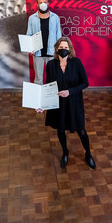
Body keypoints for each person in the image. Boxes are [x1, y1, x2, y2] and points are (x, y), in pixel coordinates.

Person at [36, 37, 96, 169]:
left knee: (81, 130)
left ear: (70, 49)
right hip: (58, 104)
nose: (63, 50)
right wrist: (42, 104)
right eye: (61, 48)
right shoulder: (51, 64)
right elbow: (48, 86)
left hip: (74, 102)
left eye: (66, 48)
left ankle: (88, 153)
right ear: (57, 49)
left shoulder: (77, 63)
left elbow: (85, 83)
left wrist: (70, 91)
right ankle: (65, 152)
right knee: (61, 130)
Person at [27, 0, 62, 85]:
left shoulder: (55, 18)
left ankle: (52, 98)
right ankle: (38, 99)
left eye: (45, 2)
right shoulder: (32, 18)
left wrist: (59, 51)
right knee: (38, 78)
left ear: (48, 3)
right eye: (40, 2)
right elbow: (29, 34)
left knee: (53, 78)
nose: (43, 4)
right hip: (38, 53)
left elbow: (59, 36)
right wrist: (31, 48)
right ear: (37, 4)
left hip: (52, 52)